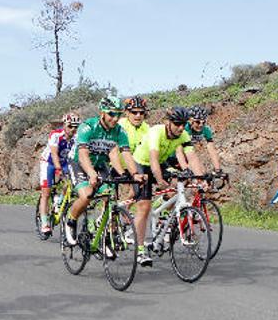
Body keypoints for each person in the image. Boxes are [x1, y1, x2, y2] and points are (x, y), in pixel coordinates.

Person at [64, 96, 146, 249]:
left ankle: (105, 235)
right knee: (87, 194)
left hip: (100, 164)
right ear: (102, 113)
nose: (115, 118)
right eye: (111, 114)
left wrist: (134, 174)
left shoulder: (119, 131)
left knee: (110, 196)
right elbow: (82, 154)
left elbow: (125, 153)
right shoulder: (88, 127)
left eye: (118, 115)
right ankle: (71, 220)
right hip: (79, 163)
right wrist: (91, 174)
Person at [131, 107, 204, 266]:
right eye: (177, 123)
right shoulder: (156, 132)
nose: (180, 127)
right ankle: (141, 250)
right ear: (167, 122)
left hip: (161, 164)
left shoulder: (183, 134)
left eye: (183, 124)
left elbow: (192, 156)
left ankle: (162, 215)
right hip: (141, 164)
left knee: (180, 183)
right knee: (144, 206)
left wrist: (200, 179)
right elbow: (153, 161)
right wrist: (159, 179)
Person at [37, 113, 80, 236]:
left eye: (76, 127)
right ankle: (44, 223)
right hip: (49, 163)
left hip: (65, 162)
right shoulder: (55, 135)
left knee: (70, 183)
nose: (73, 129)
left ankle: (59, 201)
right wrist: (57, 169)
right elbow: (54, 154)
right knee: (46, 192)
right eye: (70, 126)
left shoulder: (76, 138)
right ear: (64, 124)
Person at [184, 106, 223, 174]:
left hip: (188, 154)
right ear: (190, 121)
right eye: (198, 122)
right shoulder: (184, 128)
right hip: (176, 155)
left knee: (202, 172)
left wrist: (218, 169)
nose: (201, 125)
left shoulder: (206, 129)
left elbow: (211, 150)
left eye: (203, 122)